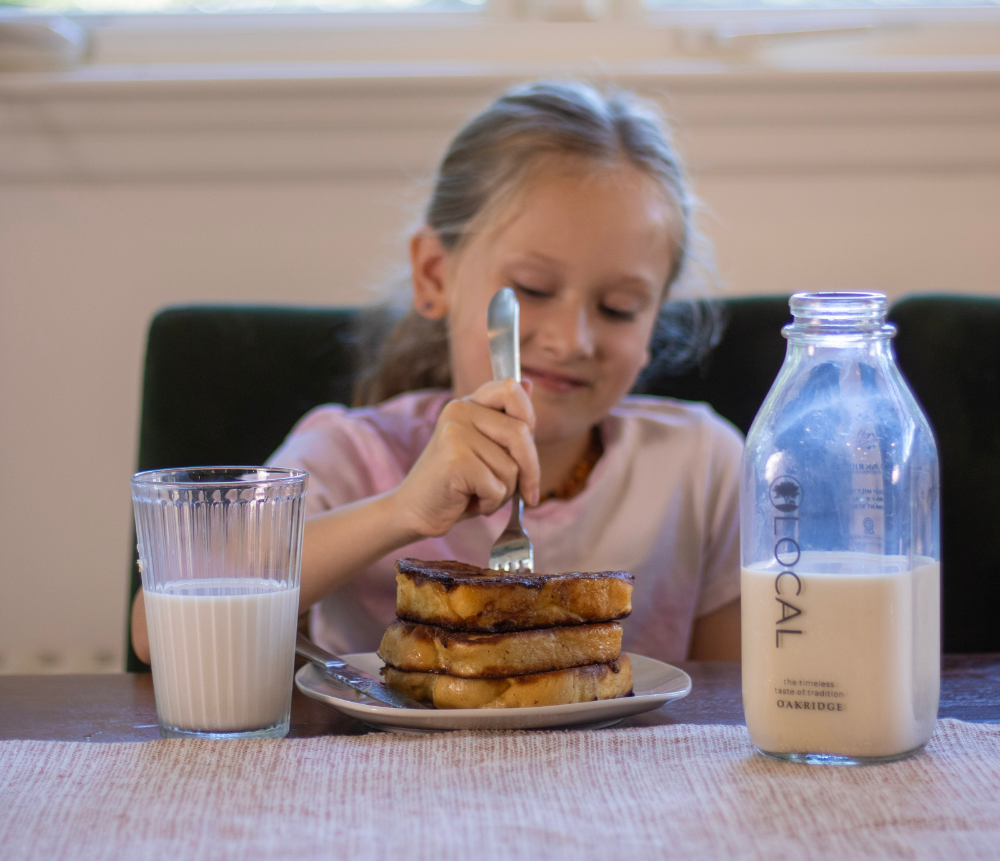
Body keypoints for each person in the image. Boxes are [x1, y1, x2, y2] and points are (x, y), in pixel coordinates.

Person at [131, 81, 742, 665]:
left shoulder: (702, 468)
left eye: (619, 308)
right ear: (433, 275)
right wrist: (401, 512)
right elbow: (159, 631)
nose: (571, 340)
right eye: (532, 288)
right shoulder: (350, 458)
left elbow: (728, 703)